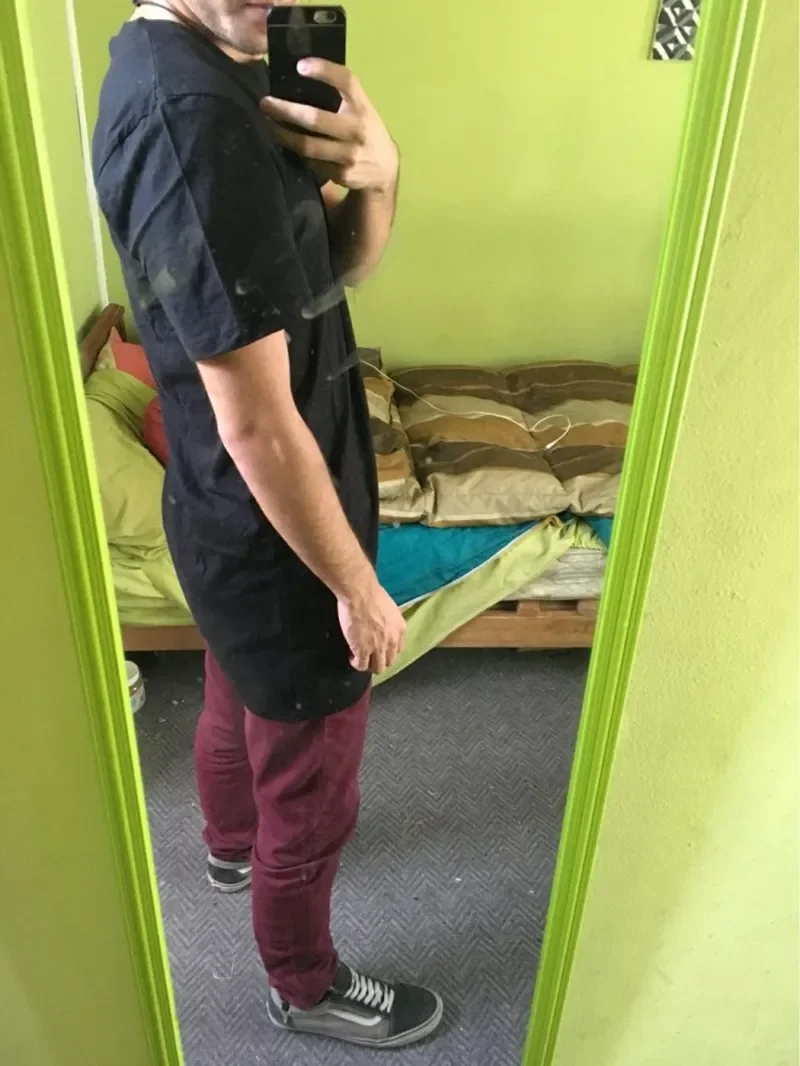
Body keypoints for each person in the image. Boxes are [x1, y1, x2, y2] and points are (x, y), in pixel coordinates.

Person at [92, 0, 444, 1050]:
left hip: (219, 511)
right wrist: (358, 589)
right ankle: (303, 984)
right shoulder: (189, 122)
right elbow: (254, 421)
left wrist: (379, 177)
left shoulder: (207, 58)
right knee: (313, 788)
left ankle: (227, 845)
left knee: (236, 691)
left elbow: (334, 272)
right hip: (275, 532)